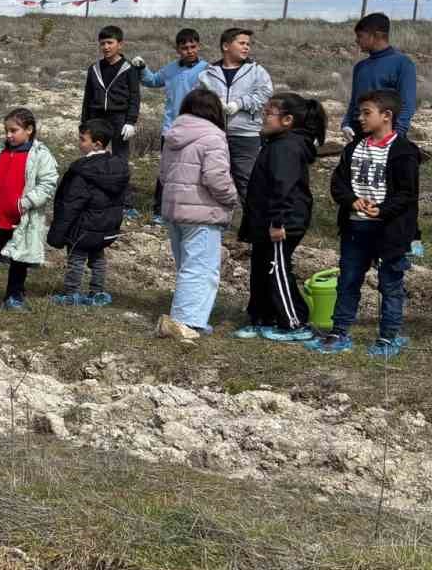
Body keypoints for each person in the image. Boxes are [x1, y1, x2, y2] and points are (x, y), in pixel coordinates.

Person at [307, 89, 420, 359]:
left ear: (387, 116)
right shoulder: (355, 147)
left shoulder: (404, 151)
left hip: (390, 232)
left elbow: (407, 194)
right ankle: (339, 331)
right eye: (359, 113)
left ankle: (388, 336)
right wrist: (352, 201)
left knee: (390, 284)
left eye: (366, 113)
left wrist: (381, 210)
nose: (359, 118)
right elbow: (338, 183)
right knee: (348, 280)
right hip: (355, 228)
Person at [235, 93, 325, 342]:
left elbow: (282, 188)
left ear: (287, 120)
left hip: (282, 223)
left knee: (277, 270)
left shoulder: (287, 146)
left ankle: (295, 322)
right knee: (261, 268)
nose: (263, 117)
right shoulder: (276, 143)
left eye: (268, 113)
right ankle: (263, 317)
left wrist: (277, 222)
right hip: (267, 222)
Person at [155, 89, 240, 344]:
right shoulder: (214, 136)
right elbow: (216, 177)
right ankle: (186, 322)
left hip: (174, 210)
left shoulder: (173, 135)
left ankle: (190, 319)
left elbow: (163, 174)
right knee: (200, 269)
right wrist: (231, 197)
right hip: (202, 212)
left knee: (186, 266)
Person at [0, 108, 59, 311]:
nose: (8, 135)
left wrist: (23, 204)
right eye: (6, 130)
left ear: (29, 130)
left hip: (20, 218)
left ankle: (14, 296)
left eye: (14, 130)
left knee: (19, 259)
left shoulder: (41, 156)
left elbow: (48, 183)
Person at [47, 119, 128, 306]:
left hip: (82, 227)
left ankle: (71, 293)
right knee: (98, 258)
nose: (79, 143)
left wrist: (58, 232)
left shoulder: (83, 170)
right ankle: (97, 293)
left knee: (76, 259)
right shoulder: (118, 169)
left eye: (82, 139)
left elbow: (72, 203)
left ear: (97, 143)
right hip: (105, 227)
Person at [132, 27, 206, 223]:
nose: (189, 51)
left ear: (199, 46)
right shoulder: (171, 68)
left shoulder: (208, 70)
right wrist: (142, 67)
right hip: (171, 128)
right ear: (177, 49)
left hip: (197, 129)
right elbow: (153, 80)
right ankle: (160, 211)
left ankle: (188, 212)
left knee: (193, 171)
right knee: (167, 170)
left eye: (192, 46)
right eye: (184, 47)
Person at [194, 28, 271, 200]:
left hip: (246, 135)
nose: (246, 48)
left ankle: (251, 223)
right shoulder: (208, 73)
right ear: (226, 46)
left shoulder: (257, 71)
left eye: (248, 44)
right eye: (242, 43)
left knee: (246, 181)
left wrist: (240, 103)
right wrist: (213, 103)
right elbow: (197, 100)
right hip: (214, 135)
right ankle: (216, 221)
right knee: (212, 179)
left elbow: (265, 95)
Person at [80, 26, 140, 214]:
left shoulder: (129, 68)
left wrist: (130, 121)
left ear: (120, 44)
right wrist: (84, 124)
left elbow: (134, 97)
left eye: (110, 43)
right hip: (97, 117)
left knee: (120, 160)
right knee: (94, 157)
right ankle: (93, 196)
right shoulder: (94, 69)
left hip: (119, 118)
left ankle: (125, 203)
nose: (106, 47)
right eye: (102, 43)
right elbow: (87, 97)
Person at [342, 13, 417, 141]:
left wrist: (397, 135)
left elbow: (407, 104)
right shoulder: (360, 66)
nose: (356, 40)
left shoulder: (403, 64)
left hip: (386, 134)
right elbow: (354, 101)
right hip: (358, 134)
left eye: (360, 36)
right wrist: (346, 124)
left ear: (376, 35)